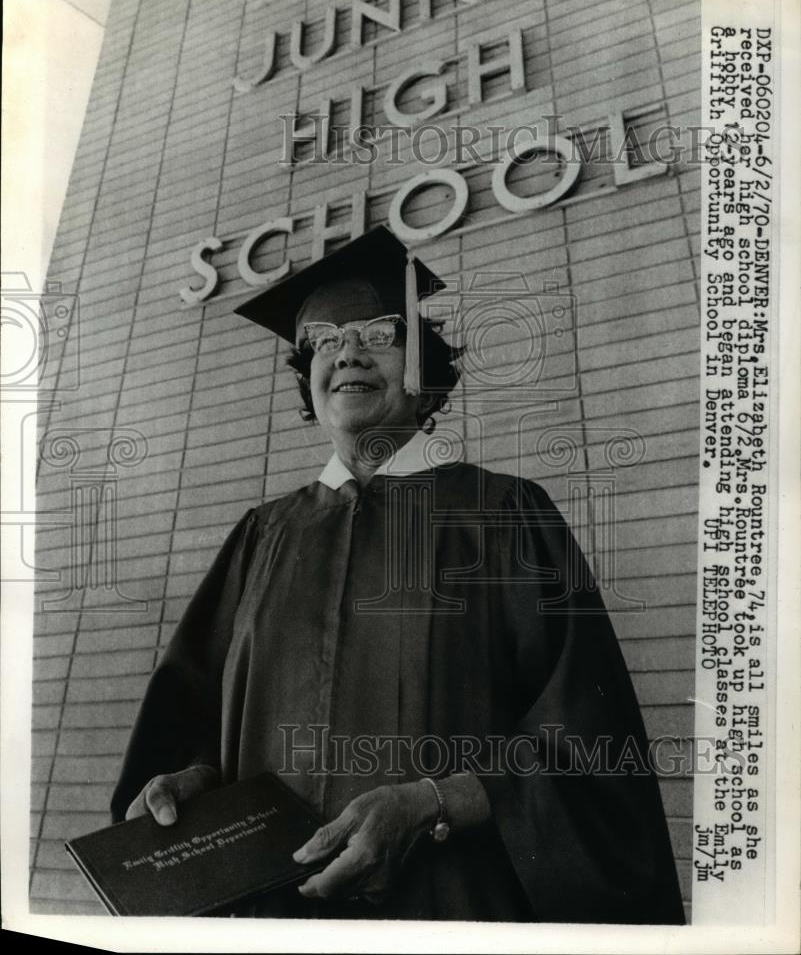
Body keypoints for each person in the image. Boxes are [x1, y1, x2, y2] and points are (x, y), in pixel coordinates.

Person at [110, 226, 685, 923]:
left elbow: (590, 738)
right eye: (322, 340)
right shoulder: (261, 536)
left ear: (423, 378)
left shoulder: (503, 515)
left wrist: (432, 802)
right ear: (309, 380)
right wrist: (188, 784)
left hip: (451, 909)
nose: (346, 351)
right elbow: (195, 724)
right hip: (273, 913)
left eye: (377, 333)